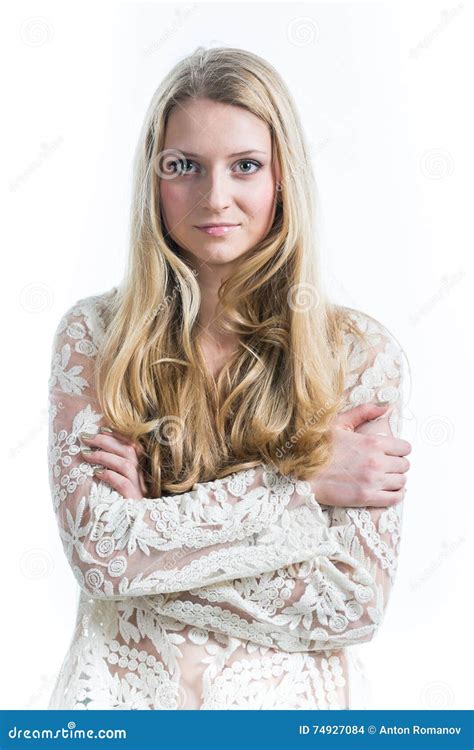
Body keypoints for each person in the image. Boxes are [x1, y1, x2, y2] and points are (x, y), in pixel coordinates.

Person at [47, 46, 412, 710]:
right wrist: (299, 487)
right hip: (121, 707)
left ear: (282, 177)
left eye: (246, 166)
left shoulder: (358, 354)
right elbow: (100, 557)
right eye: (184, 167)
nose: (216, 197)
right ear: (153, 179)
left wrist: (152, 534)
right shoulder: (96, 338)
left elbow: (352, 607)